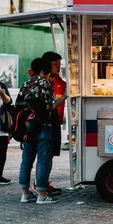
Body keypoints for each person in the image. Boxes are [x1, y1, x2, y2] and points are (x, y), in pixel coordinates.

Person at [17, 58, 67, 204]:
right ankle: (42, 194)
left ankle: (25, 194)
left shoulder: (26, 83)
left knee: (26, 161)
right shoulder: (44, 83)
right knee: (43, 161)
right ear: (43, 69)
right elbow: (50, 106)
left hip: (27, 128)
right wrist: (64, 97)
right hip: (43, 126)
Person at [36, 51, 67, 196]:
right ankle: (39, 185)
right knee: (43, 156)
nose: (59, 67)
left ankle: (44, 183)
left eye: (60, 64)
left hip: (55, 121)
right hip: (42, 123)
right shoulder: (41, 82)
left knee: (50, 154)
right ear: (49, 64)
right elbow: (50, 106)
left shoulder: (59, 82)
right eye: (56, 64)